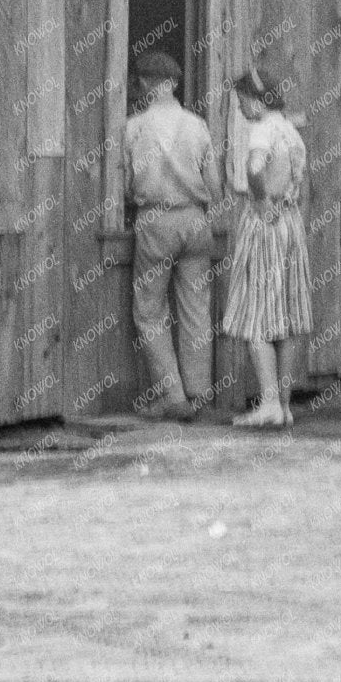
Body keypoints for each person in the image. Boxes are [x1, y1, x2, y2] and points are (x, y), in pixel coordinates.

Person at [122, 49, 223, 421]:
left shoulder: (134, 127)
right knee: (196, 309)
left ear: (145, 83)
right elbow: (214, 185)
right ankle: (198, 393)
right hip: (196, 221)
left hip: (155, 221)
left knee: (150, 311)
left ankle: (172, 395)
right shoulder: (197, 125)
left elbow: (126, 184)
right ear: (175, 84)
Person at [225, 67, 312, 430]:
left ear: (256, 100)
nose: (241, 107)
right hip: (290, 223)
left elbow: (254, 166)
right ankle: (285, 405)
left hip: (266, 224)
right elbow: (303, 183)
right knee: (289, 316)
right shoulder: (291, 130)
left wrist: (260, 199)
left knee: (258, 314)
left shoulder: (262, 128)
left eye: (242, 100)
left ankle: (269, 403)